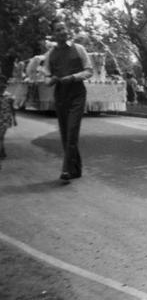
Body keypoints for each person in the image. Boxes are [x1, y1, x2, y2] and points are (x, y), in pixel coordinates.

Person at [43, 20, 93, 182]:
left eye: (64, 28)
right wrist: (51, 80)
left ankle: (66, 169)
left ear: (68, 31)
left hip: (77, 94)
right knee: (65, 134)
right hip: (61, 96)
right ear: (54, 35)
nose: (62, 31)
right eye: (58, 30)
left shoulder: (79, 49)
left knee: (72, 131)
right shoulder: (51, 54)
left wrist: (73, 77)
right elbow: (46, 76)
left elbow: (89, 71)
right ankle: (76, 169)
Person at [0, 75, 18, 161]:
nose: (2, 87)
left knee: (1, 136)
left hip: (5, 119)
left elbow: (12, 108)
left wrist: (14, 119)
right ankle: (2, 151)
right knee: (1, 137)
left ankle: (2, 152)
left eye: (3, 85)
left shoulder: (9, 96)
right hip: (4, 119)